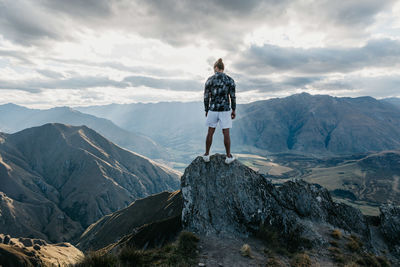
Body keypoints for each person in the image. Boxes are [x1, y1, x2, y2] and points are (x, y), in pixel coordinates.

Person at [202, 58, 236, 164]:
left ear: (216, 68)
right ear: (223, 68)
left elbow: (206, 97)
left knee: (210, 132)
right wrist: (233, 109)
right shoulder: (230, 80)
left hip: (213, 109)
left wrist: (206, 109)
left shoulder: (210, 80)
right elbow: (233, 96)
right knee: (226, 133)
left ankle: (207, 154)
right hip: (225, 109)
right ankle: (228, 156)